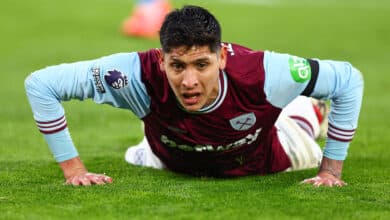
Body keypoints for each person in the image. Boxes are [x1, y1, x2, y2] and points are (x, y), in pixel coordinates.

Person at [25, 5, 363, 187]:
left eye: (202, 64)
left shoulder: (264, 71)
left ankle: (308, 110)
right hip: (166, 158)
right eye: (177, 65)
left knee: (299, 121)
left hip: (269, 159)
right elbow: (40, 84)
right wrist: (74, 171)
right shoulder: (131, 74)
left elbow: (348, 80)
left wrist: (330, 172)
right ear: (161, 60)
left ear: (222, 57)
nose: (189, 81)